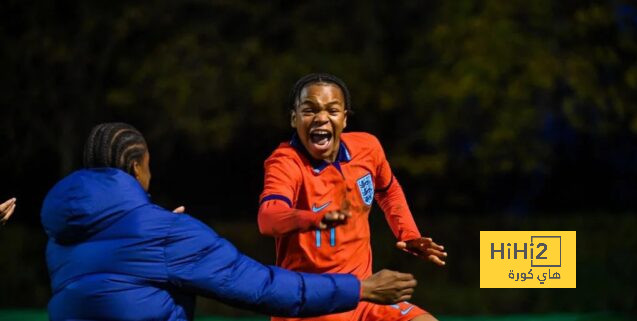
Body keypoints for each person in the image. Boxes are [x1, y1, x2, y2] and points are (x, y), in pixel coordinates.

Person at [41, 122, 418, 321]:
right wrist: (359, 290)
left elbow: (120, 277)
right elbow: (261, 287)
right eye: (149, 169)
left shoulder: (61, 238)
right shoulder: (166, 235)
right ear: (138, 166)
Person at [258, 73, 448, 321]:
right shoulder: (285, 163)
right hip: (312, 306)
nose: (321, 118)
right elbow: (268, 218)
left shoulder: (367, 148)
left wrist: (408, 233)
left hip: (365, 296)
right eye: (309, 110)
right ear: (294, 118)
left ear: (344, 118)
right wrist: (313, 219)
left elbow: (388, 190)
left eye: (332, 110)